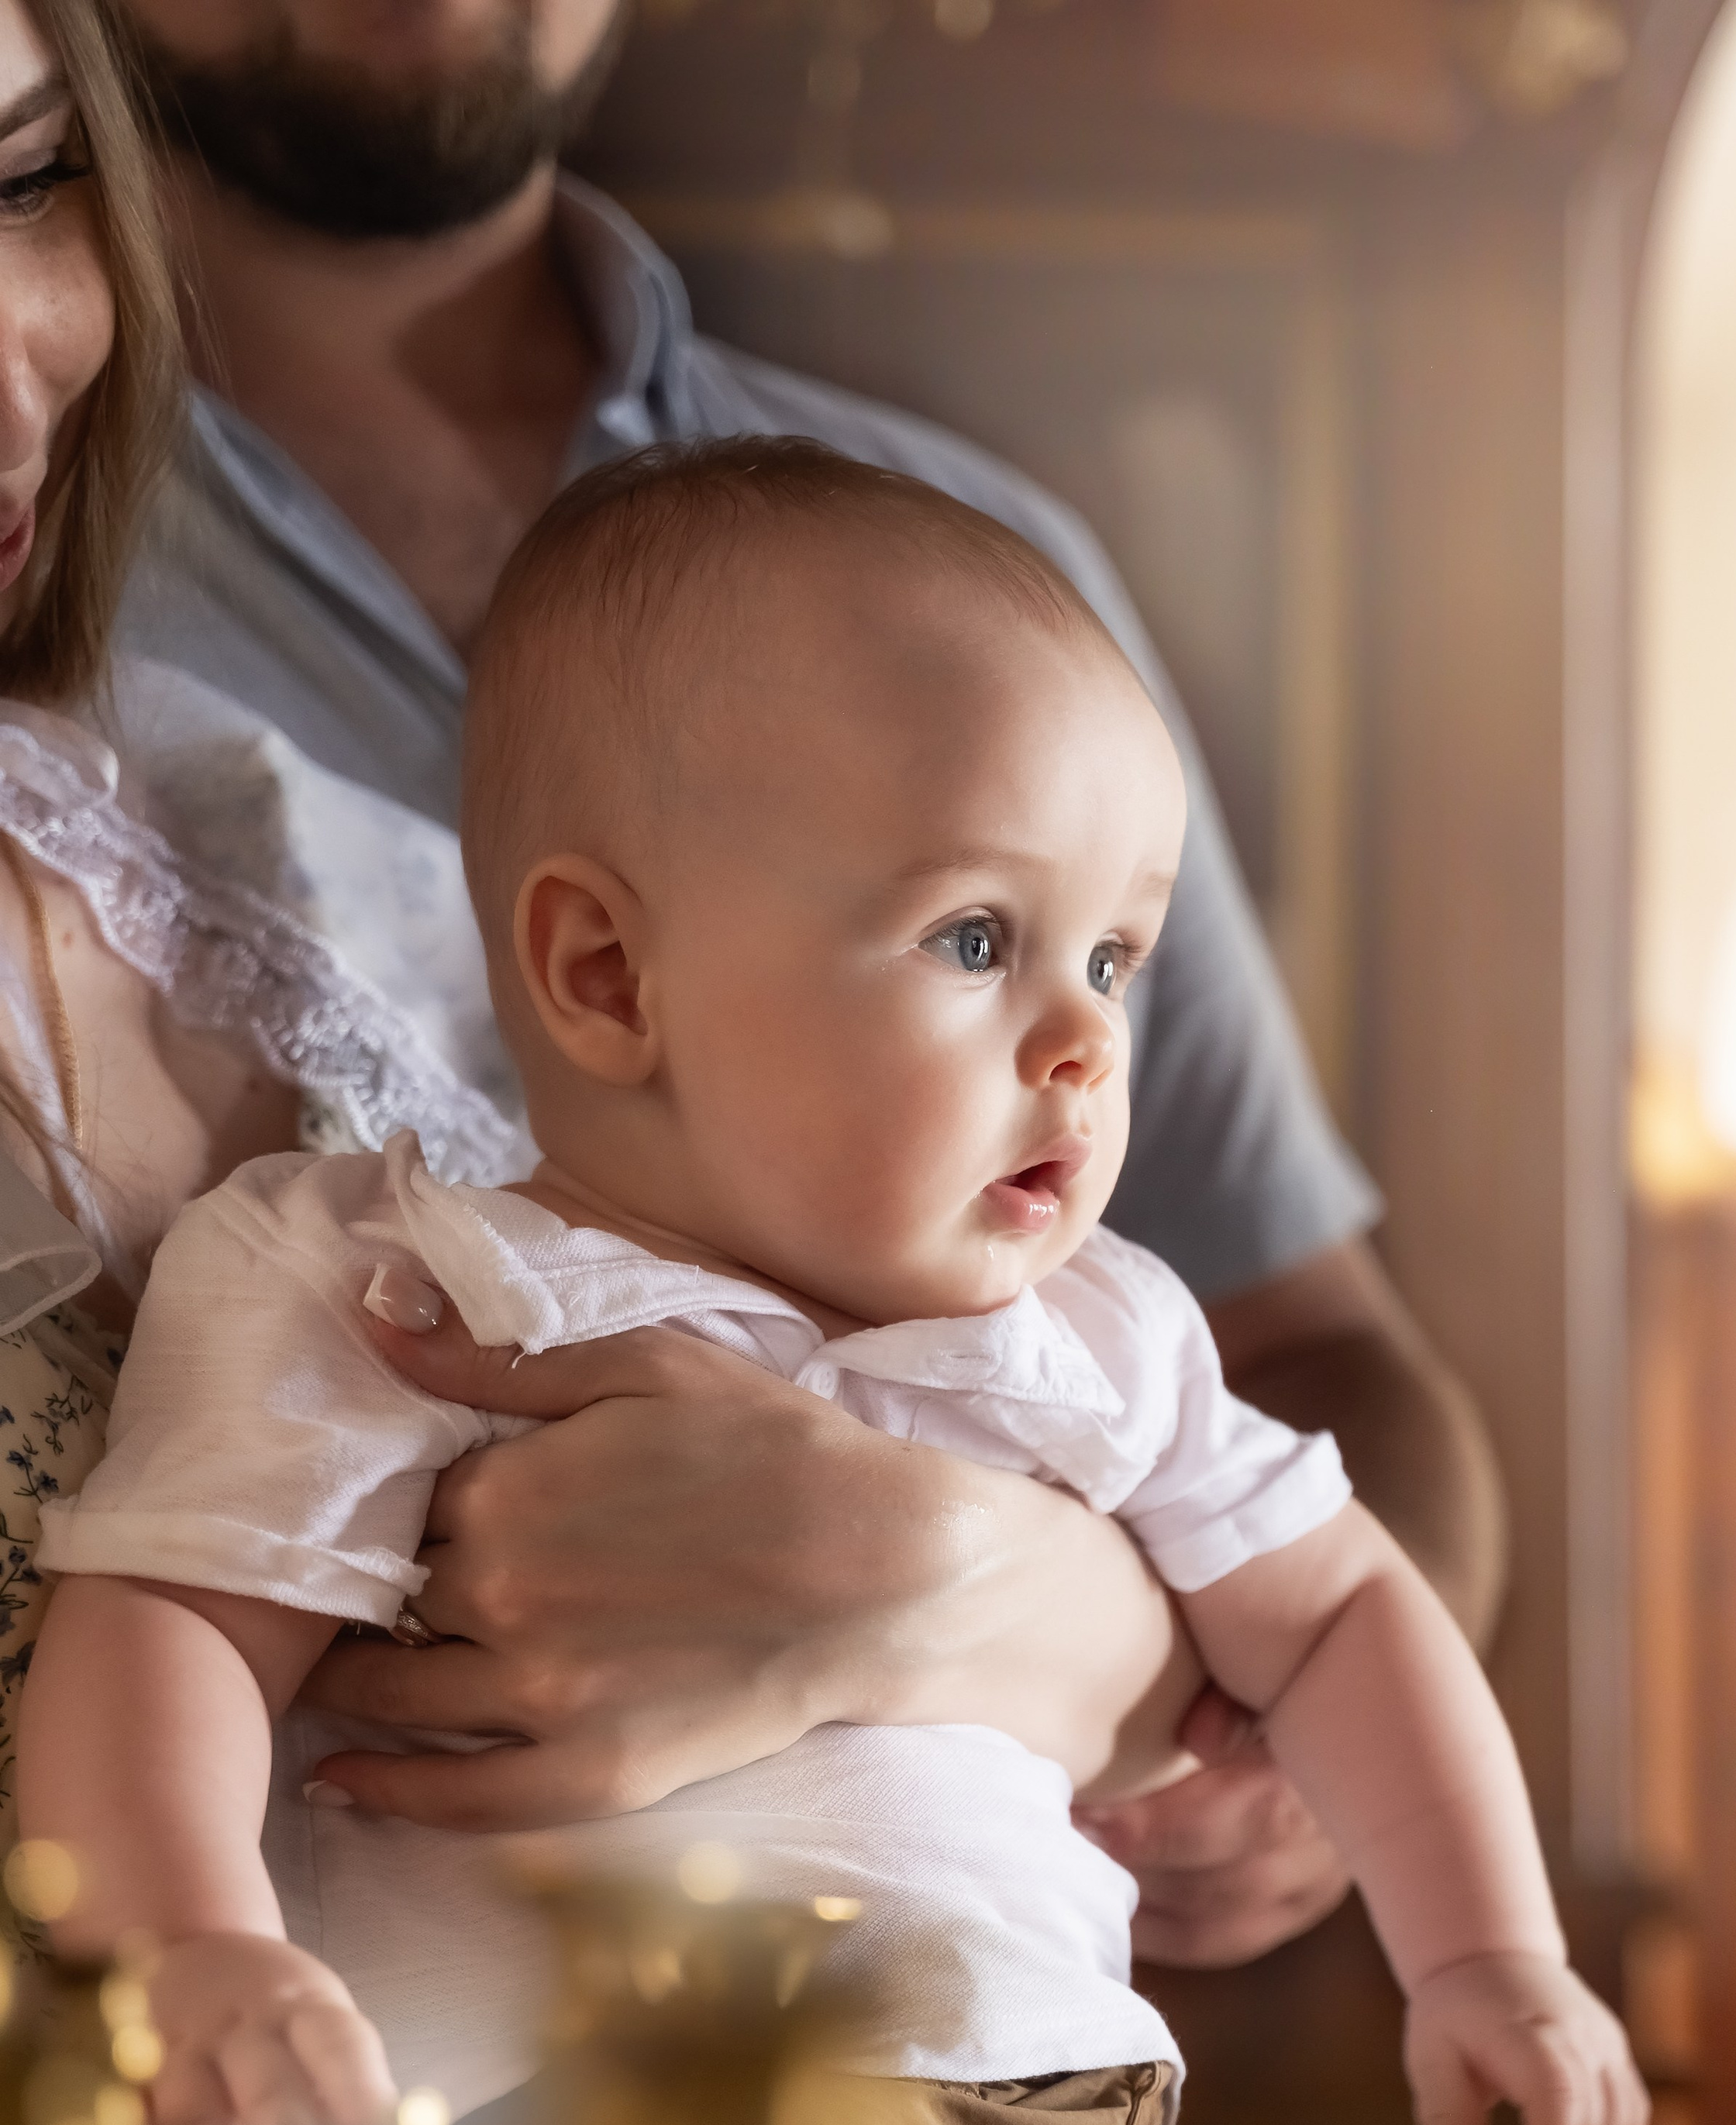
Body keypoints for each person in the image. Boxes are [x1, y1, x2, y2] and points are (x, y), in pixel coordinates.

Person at [23, 439, 1645, 2125]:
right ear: (600, 975)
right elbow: (163, 1633)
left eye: (1121, 957)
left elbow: (1340, 1611)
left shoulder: (1099, 1340)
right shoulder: (403, 1282)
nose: (1085, 1054)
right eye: (980, 940)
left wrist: (1490, 1954)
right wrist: (198, 1944)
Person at [113, 0, 1510, 1972]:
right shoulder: (45, 549)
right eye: (969, 938)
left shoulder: (981, 575)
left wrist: (1027, 1622)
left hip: (973, 2063)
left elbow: (1322, 1354)